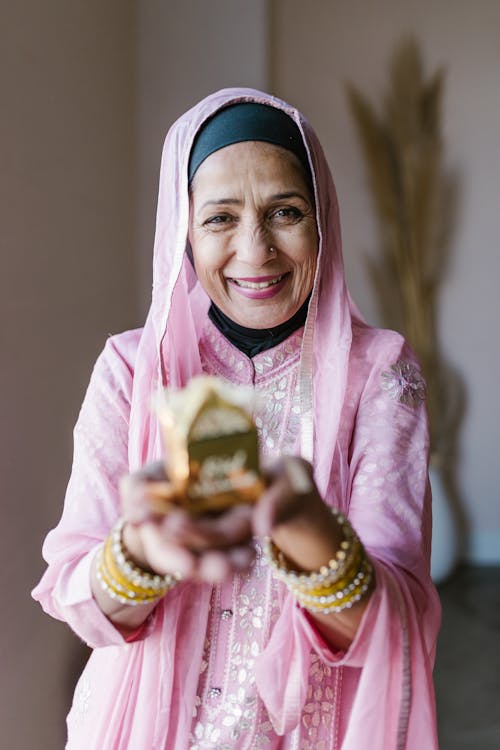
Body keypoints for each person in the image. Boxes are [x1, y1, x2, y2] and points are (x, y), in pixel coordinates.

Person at [32, 88, 441, 749]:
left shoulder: (380, 373)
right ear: (183, 231)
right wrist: (142, 552)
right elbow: (85, 608)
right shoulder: (132, 371)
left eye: (286, 212)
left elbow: (392, 628)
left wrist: (305, 529)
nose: (256, 251)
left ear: (323, 220)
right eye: (220, 217)